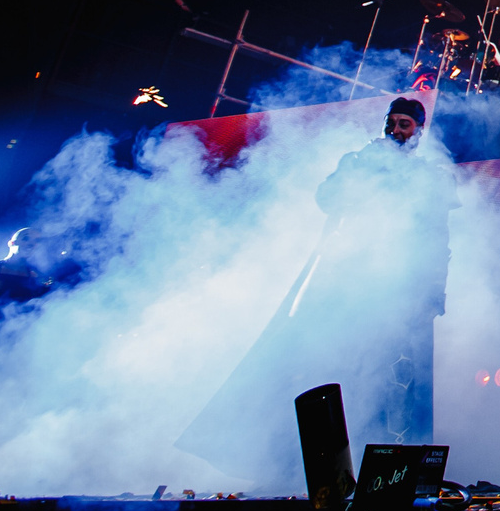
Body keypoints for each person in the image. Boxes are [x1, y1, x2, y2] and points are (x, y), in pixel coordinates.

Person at [178, 96, 457, 481]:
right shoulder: (361, 162)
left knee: (395, 380)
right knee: (328, 369)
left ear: (419, 132)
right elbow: (327, 200)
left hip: (401, 292)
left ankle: (392, 474)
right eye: (391, 123)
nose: (394, 131)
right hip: (347, 285)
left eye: (404, 125)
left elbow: (437, 237)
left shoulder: (431, 177)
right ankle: (301, 467)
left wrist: (433, 291)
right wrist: (362, 167)